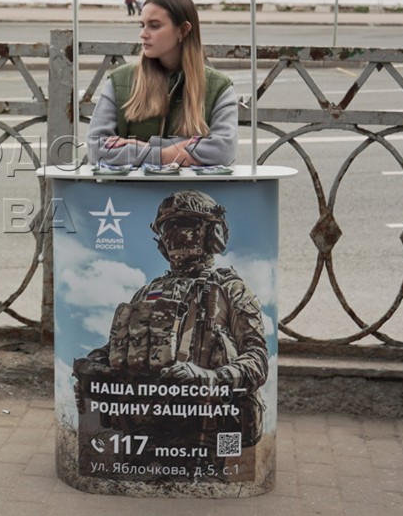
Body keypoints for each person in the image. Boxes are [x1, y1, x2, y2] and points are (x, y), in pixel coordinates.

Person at [72, 190, 269, 466]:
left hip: (204, 444)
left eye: (187, 224)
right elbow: (118, 347)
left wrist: (209, 378)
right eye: (169, 226)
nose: (176, 234)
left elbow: (257, 360)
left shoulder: (231, 290)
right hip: (140, 439)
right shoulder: (147, 292)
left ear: (213, 234)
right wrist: (93, 366)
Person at [87, 0, 238, 168]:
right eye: (142, 25)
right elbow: (96, 150)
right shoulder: (120, 81)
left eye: (154, 25)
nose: (143, 34)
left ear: (183, 30)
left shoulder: (218, 87)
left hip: (193, 193)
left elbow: (223, 151)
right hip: (128, 193)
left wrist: (146, 148)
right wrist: (166, 155)